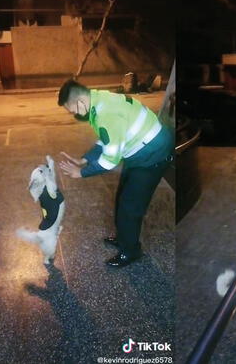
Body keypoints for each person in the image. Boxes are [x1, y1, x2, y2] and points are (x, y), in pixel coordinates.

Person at [57, 79, 174, 267]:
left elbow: (110, 160)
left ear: (80, 102)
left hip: (152, 155)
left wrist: (81, 173)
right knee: (122, 197)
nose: (74, 115)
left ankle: (131, 251)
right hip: (137, 151)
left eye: (72, 111)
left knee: (130, 208)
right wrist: (85, 159)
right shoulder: (97, 100)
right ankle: (123, 238)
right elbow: (106, 139)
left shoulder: (106, 114)